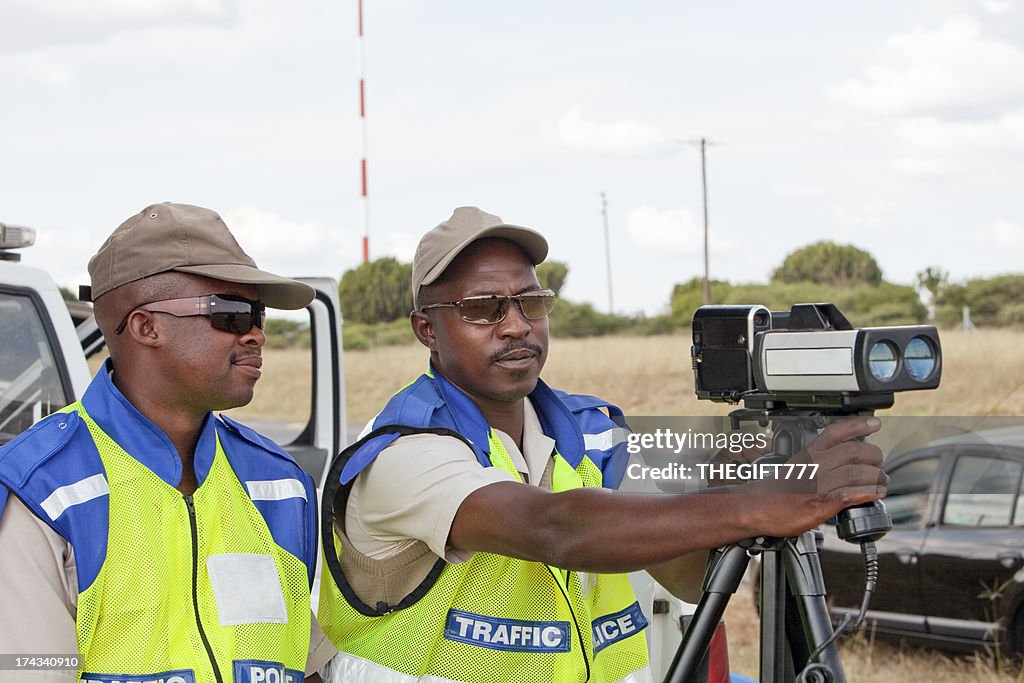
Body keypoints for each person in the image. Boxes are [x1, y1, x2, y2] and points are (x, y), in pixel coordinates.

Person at [317, 206, 887, 682]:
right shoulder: (401, 452)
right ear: (426, 330)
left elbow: (686, 575)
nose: (516, 325)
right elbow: (557, 528)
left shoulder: (590, 433)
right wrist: (756, 504)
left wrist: (734, 484)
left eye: (529, 302)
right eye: (483, 309)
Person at [0, 203, 335, 682]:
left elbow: (301, 667)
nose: (258, 334)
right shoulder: (40, 491)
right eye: (234, 315)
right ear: (145, 327)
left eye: (258, 315)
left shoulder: (278, 482)